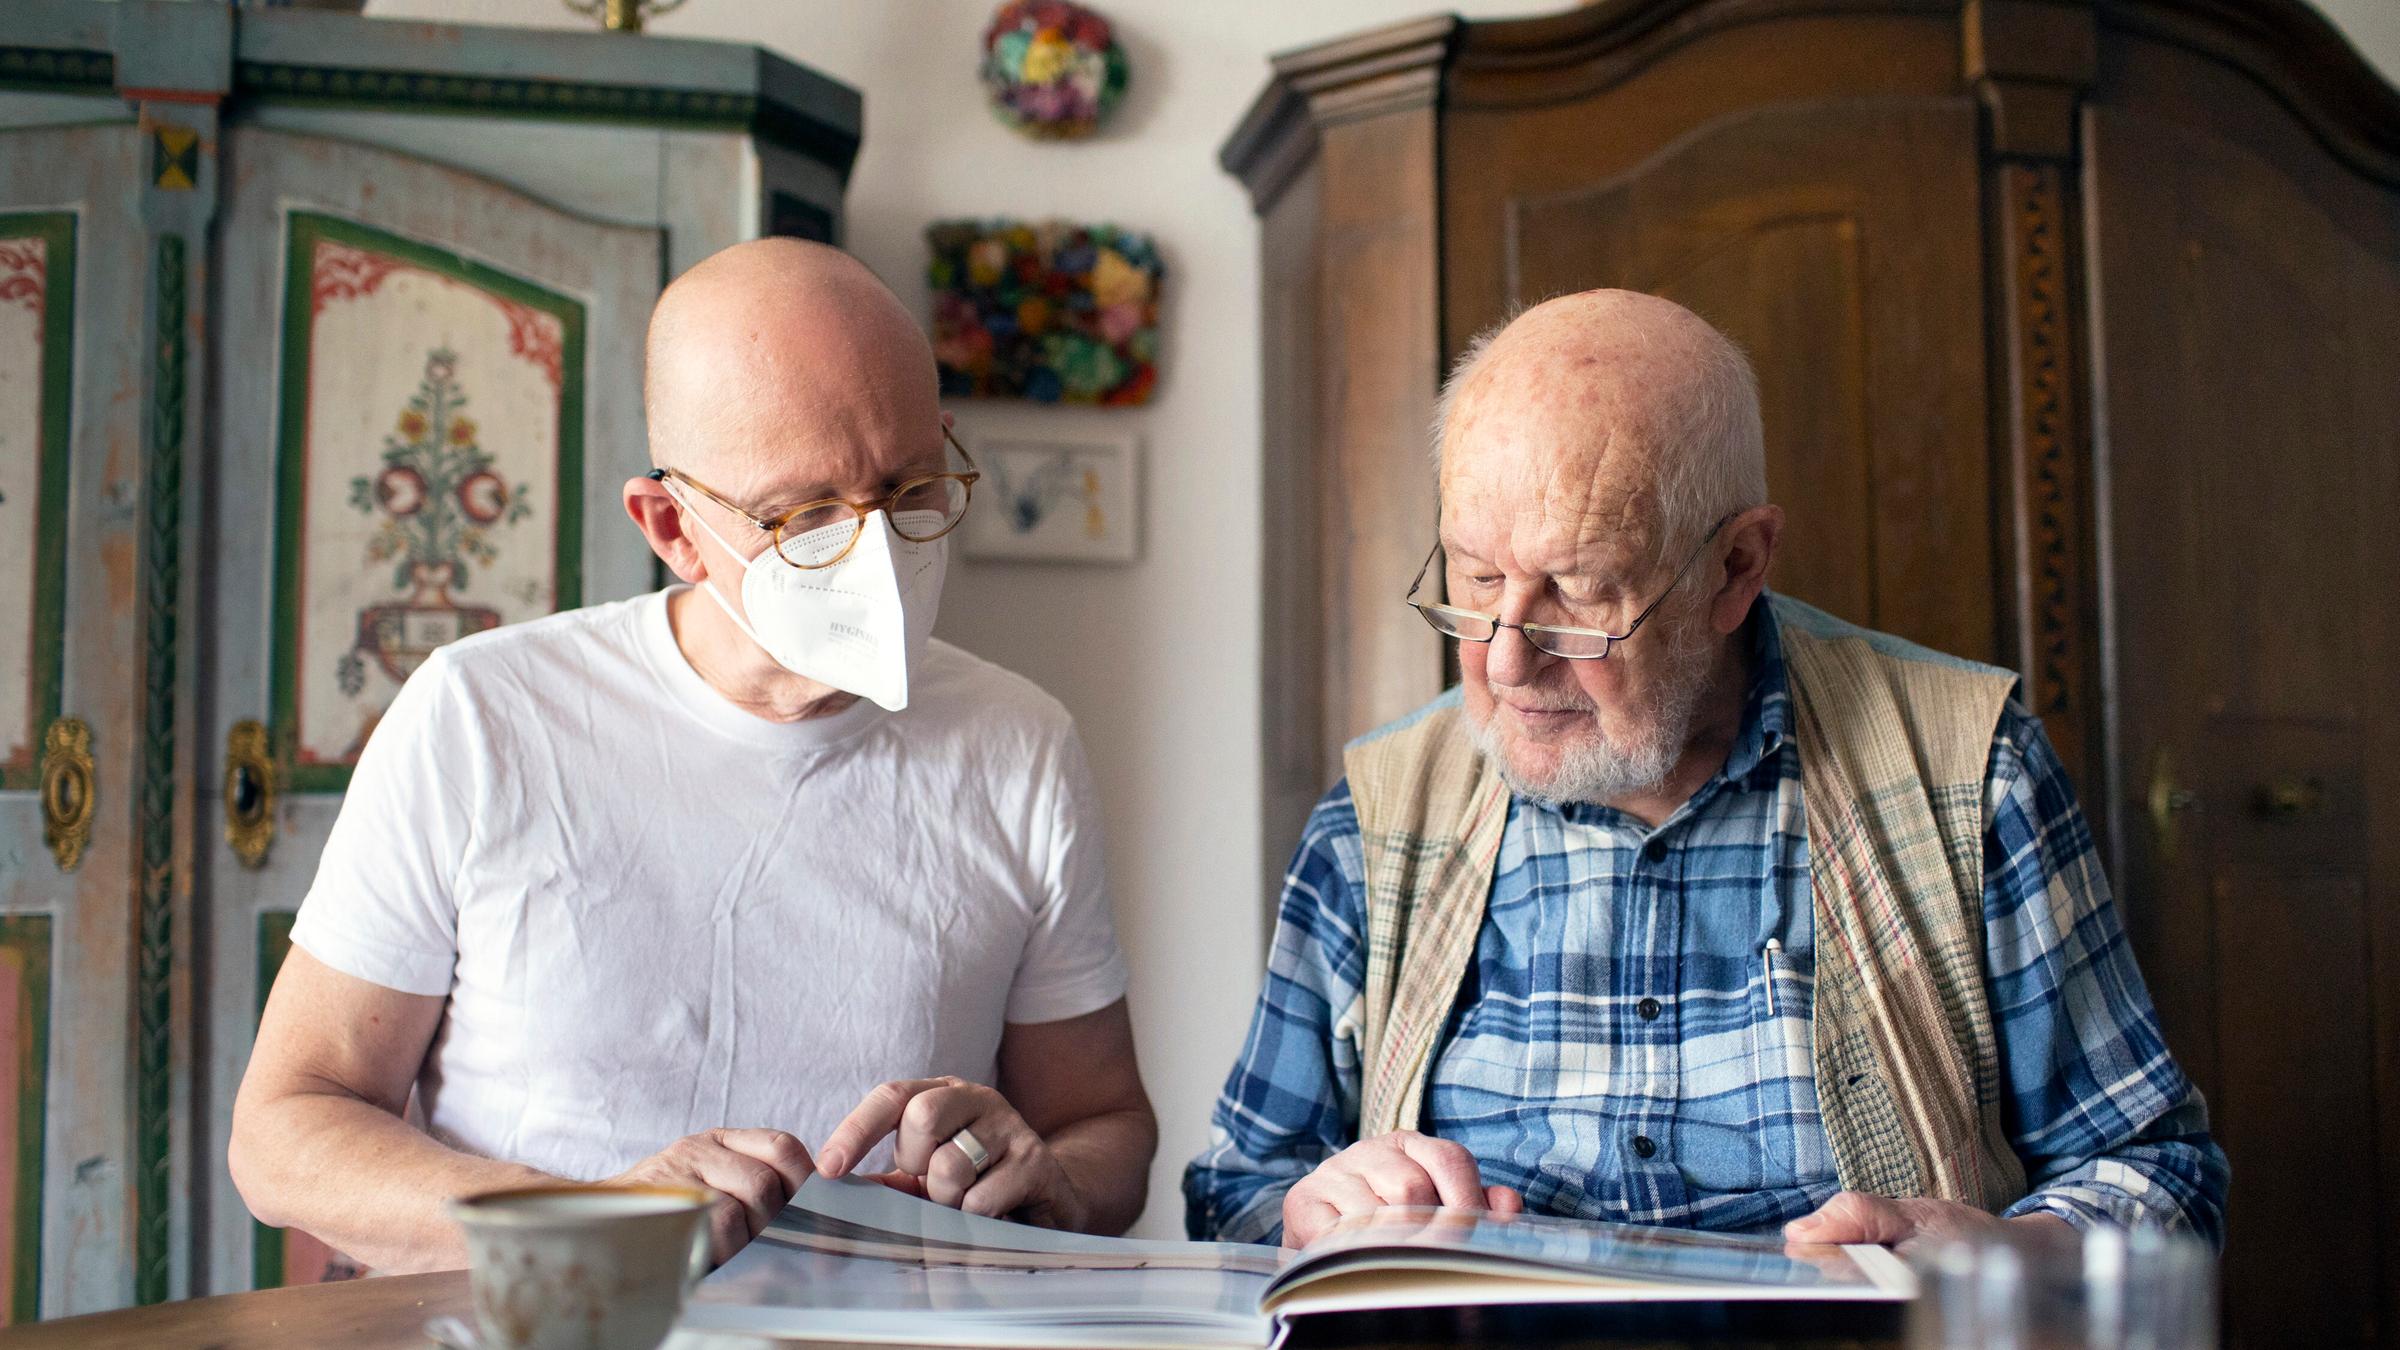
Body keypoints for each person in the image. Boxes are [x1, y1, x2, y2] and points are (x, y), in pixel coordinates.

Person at [1184, 290, 2227, 1253]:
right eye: (1479, 576)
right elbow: (1235, 1187)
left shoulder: (1969, 774)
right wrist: (1310, 1211)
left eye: (1582, 589)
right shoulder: (1379, 818)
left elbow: (2159, 1179)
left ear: (1738, 567)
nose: (1505, 660)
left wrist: (2005, 1253)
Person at [232, 239, 1156, 1273]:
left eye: (909, 490)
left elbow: (1107, 1125)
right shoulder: (483, 716)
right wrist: (591, 1221)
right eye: (805, 516)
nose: (877, 553)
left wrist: (1046, 1177)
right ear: (672, 525)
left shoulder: (1018, 745)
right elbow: (284, 1134)